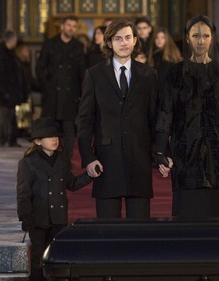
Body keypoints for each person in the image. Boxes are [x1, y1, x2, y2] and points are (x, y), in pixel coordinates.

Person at [155, 15, 219, 218]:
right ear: (187, 38)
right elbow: (165, 115)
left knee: (214, 219)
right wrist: (160, 152)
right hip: (184, 155)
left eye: (205, 35)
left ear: (212, 38)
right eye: (195, 35)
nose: (200, 40)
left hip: (217, 158)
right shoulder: (175, 74)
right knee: (184, 219)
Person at [77, 19, 158, 219]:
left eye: (128, 38)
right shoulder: (94, 75)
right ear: (109, 43)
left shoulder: (149, 74)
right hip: (106, 159)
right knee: (107, 230)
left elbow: (155, 117)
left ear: (135, 40)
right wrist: (88, 157)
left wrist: (161, 153)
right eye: (118, 38)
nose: (123, 43)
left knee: (139, 232)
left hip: (139, 158)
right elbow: (85, 120)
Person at [16, 118, 94, 281]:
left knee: (56, 258)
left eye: (56, 137)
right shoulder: (27, 163)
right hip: (38, 219)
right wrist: (25, 216)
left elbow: (71, 184)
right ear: (38, 141)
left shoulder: (62, 161)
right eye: (49, 137)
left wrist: (90, 175)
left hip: (58, 217)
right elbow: (23, 193)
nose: (54, 140)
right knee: (39, 258)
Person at [36, 15, 86, 160]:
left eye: (74, 26)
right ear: (62, 26)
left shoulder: (78, 46)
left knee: (69, 131)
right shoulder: (50, 44)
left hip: (70, 95)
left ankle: (65, 162)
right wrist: (46, 86)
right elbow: (40, 68)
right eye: (69, 25)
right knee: (49, 129)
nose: (71, 28)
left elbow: (82, 72)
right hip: (52, 94)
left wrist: (81, 92)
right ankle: (47, 160)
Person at [0, 30, 25, 147]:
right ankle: (0, 138)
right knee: (2, 116)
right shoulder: (0, 53)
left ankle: (10, 138)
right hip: (3, 92)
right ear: (12, 40)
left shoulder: (9, 52)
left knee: (10, 116)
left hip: (11, 91)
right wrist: (5, 92)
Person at [148, 27, 183, 91]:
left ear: (167, 39)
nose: (159, 40)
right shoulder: (153, 56)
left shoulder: (172, 57)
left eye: (162, 38)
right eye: (157, 38)